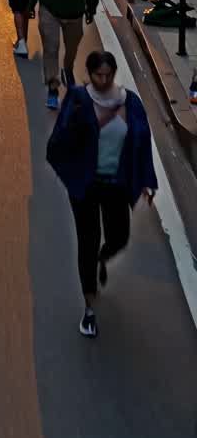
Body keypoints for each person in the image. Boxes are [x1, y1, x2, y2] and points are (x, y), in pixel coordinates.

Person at [46, 50, 157, 339]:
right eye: (98, 75)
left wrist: (146, 180)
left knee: (119, 236)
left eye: (108, 75)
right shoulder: (78, 100)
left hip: (116, 185)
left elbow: (142, 141)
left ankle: (102, 259)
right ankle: (89, 309)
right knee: (88, 239)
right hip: (85, 185)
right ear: (90, 74)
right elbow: (59, 140)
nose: (104, 80)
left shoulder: (130, 102)